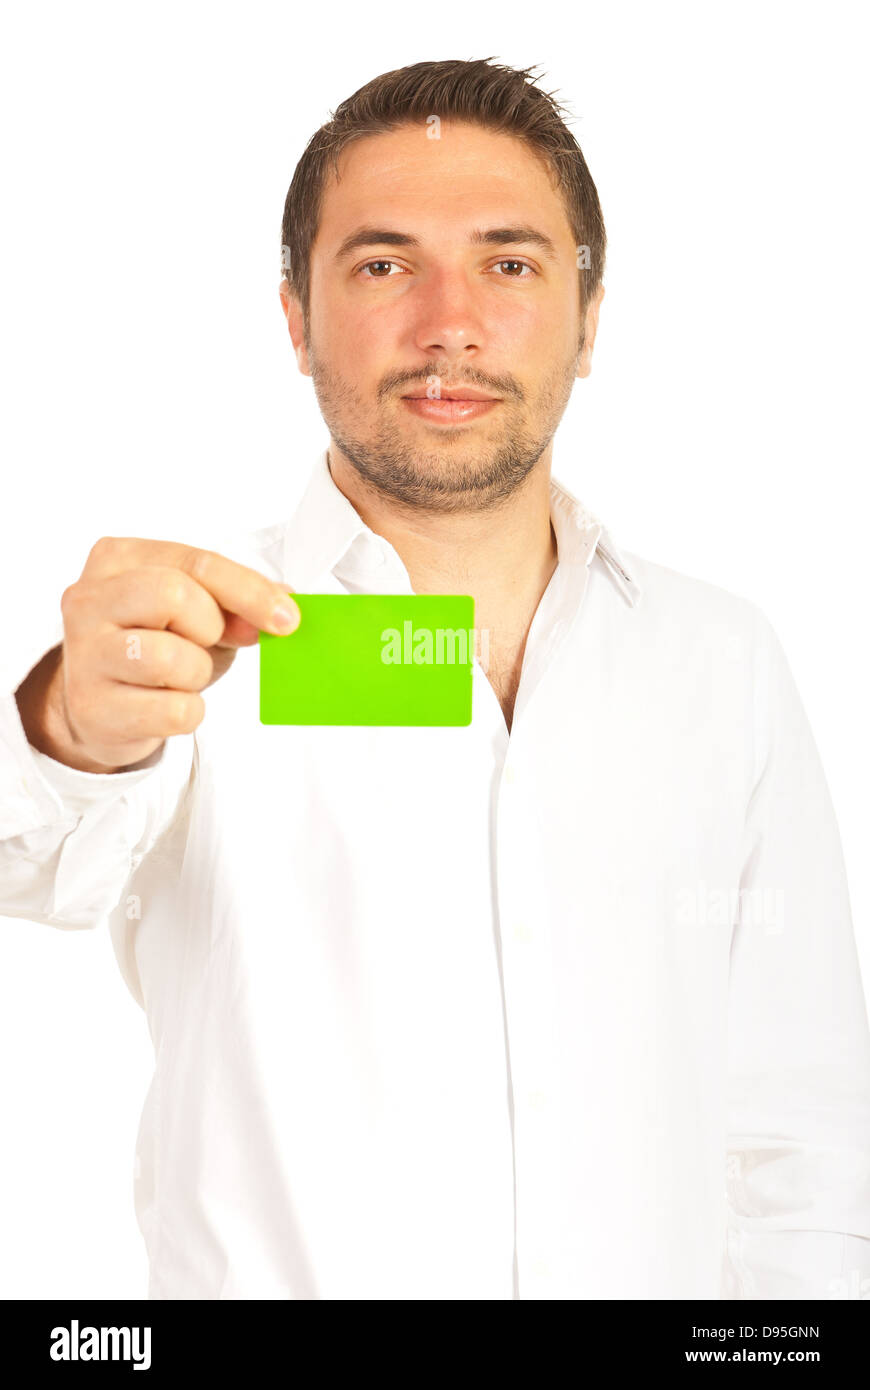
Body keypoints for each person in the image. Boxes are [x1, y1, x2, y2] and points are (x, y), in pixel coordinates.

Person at [3, 57, 869, 1300]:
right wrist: (68, 724)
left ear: (590, 317)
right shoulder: (203, 643)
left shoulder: (718, 659)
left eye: (510, 263)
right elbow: (30, 852)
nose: (449, 322)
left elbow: (801, 1136)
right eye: (384, 263)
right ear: (296, 318)